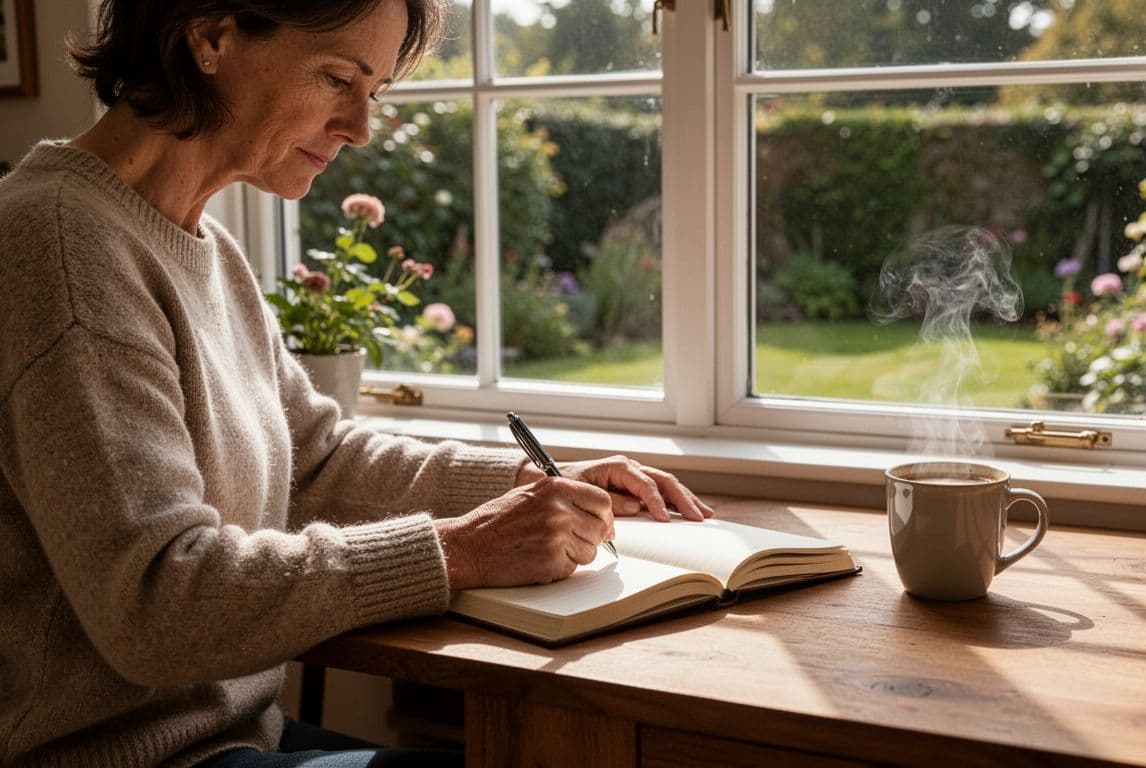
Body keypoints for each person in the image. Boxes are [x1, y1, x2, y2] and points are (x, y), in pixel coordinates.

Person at [0, 1, 713, 765]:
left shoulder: (201, 244)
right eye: (337, 77)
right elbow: (155, 601)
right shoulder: (60, 247)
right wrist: (463, 550)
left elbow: (317, 461)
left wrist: (528, 480)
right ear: (210, 37)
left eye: (371, 92)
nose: (359, 128)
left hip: (235, 739)